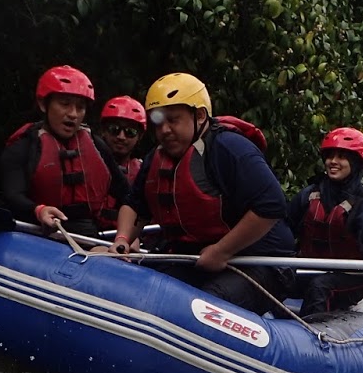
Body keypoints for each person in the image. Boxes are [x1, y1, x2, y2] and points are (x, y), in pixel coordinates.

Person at [113, 72, 295, 315]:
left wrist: (222, 250)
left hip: (258, 262)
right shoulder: (157, 158)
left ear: (199, 115)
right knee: (141, 289)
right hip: (196, 258)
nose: (164, 130)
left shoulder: (230, 148)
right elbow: (135, 204)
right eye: (158, 122)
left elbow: (272, 205)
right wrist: (123, 240)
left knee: (204, 306)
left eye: (173, 120)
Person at [0, 65, 128, 236]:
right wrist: (38, 210)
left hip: (85, 236)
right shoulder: (23, 147)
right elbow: (12, 194)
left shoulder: (97, 146)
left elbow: (127, 195)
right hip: (34, 232)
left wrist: (127, 234)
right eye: (65, 104)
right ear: (44, 104)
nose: (73, 114)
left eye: (80, 107)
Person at [285, 127, 363, 315]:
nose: (333, 162)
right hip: (310, 269)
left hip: (351, 278)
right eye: (330, 156)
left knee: (320, 287)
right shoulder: (309, 195)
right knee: (278, 276)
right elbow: (283, 232)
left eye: (341, 157)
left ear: (356, 163)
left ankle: (314, 336)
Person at [98, 96, 147, 184]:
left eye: (130, 132)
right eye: (114, 129)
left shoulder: (144, 173)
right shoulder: (87, 164)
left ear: (140, 136)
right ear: (103, 131)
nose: (121, 137)